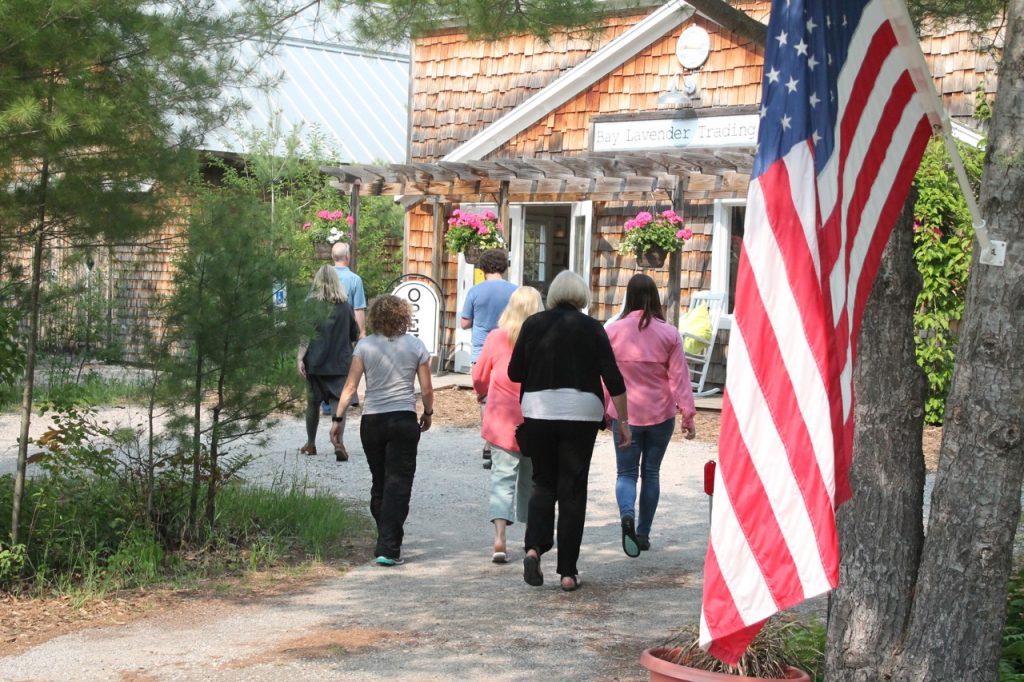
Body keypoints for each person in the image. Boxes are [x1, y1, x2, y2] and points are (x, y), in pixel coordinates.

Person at [508, 270, 630, 592]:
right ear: (582, 296)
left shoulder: (532, 325)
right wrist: (625, 421)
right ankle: (567, 573)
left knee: (542, 482)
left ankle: (533, 548)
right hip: (581, 413)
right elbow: (613, 378)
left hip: (538, 410)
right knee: (572, 490)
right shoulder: (592, 328)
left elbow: (514, 371)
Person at [331, 295, 434, 567]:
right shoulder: (415, 346)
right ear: (403, 316)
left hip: (373, 421)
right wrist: (428, 412)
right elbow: (426, 389)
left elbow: (351, 387)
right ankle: (389, 546)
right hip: (403, 419)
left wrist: (337, 419)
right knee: (398, 484)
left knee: (380, 481)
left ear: (375, 317)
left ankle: (384, 539)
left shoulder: (364, 346)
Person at [605, 274, 696, 557]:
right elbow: (679, 379)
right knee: (652, 473)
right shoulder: (669, 334)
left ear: (628, 298)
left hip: (624, 415)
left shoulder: (613, 331)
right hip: (660, 413)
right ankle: (643, 534)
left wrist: (602, 409)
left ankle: (626, 516)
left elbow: (605, 376)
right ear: (655, 298)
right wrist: (688, 415)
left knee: (626, 473)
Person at [472, 286, 544, 564]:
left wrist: (482, 391)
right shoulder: (543, 338)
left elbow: (479, 376)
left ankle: (500, 539)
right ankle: (531, 543)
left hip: (502, 418)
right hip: (535, 417)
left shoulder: (496, 338)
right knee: (532, 480)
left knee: (502, 479)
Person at [460, 248, 517, 469]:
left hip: (482, 349)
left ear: (482, 268)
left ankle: (488, 443)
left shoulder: (475, 291)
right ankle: (501, 442)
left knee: (485, 396)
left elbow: (465, 322)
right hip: (509, 348)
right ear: (504, 267)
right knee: (506, 395)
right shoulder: (515, 291)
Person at [298, 265, 360, 461]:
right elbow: (354, 335)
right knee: (337, 404)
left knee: (312, 404)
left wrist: (300, 357)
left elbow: (305, 335)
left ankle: (311, 443)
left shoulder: (310, 306)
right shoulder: (346, 307)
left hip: (315, 363)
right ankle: (338, 442)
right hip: (340, 363)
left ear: (317, 282)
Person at [322, 241, 367, 417]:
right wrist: (362, 333)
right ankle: (339, 400)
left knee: (325, 360)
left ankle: (326, 402)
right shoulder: (355, 279)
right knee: (343, 365)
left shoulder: (323, 277)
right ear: (347, 257)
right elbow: (358, 308)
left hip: (324, 329)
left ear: (333, 257)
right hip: (345, 330)